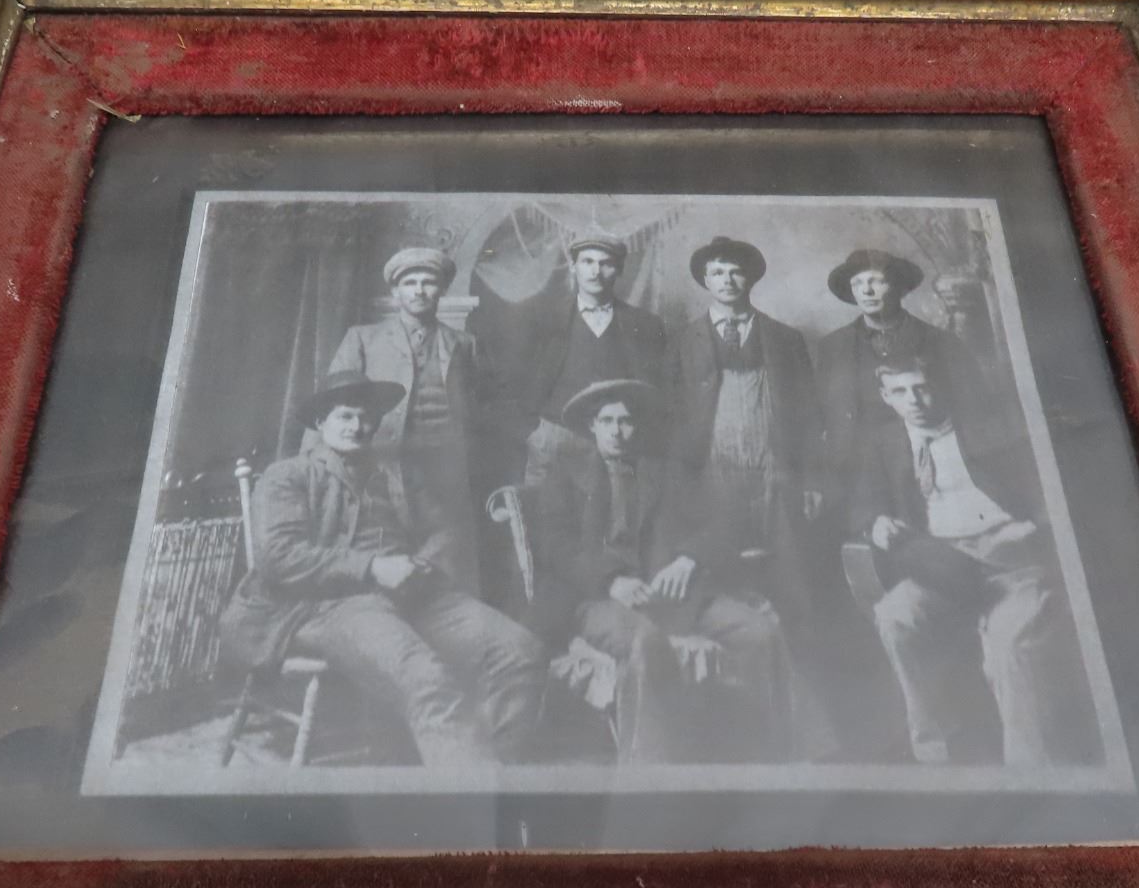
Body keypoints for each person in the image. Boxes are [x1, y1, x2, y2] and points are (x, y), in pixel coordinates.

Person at [220, 371, 546, 767]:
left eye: (366, 417)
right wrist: (372, 567)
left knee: (519, 652)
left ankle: (491, 779)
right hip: (326, 604)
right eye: (345, 416)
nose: (357, 427)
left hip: (409, 592)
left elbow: (445, 529)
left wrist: (421, 562)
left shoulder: (394, 476)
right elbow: (278, 557)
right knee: (427, 681)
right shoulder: (289, 475)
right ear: (321, 422)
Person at [849, 349, 1102, 767]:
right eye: (901, 391)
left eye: (921, 388)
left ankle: (1032, 769)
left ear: (938, 386)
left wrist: (1034, 525)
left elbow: (1049, 484)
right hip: (942, 565)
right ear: (886, 397)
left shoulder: (989, 427)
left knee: (1009, 643)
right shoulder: (885, 442)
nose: (914, 400)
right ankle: (936, 752)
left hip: (1011, 557)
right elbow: (861, 503)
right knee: (895, 617)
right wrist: (874, 523)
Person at [531, 378, 791, 763]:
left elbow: (725, 521)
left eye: (625, 421)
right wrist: (611, 581)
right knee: (645, 643)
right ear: (592, 426)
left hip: (671, 598)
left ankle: (769, 761)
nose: (617, 431)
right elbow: (555, 546)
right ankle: (649, 772)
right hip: (598, 601)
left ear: (636, 426)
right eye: (607, 421)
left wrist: (688, 559)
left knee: (759, 632)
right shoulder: (566, 476)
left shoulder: (665, 474)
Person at [667, 236, 824, 624]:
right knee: (721, 568)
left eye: (736, 271)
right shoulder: (682, 342)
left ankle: (800, 647)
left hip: (776, 469)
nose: (727, 280)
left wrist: (812, 479)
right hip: (713, 470)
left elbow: (810, 416)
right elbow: (672, 420)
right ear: (705, 280)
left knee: (791, 575)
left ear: (751, 278)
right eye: (717, 272)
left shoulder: (785, 338)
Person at [327, 246, 481, 588]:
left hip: (446, 473)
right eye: (410, 283)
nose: (419, 290)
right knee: (388, 558)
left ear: (442, 290)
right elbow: (333, 407)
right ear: (395, 292)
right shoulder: (363, 338)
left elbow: (478, 408)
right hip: (383, 468)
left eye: (429, 282)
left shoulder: (464, 343)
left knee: (449, 564)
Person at [814, 248, 980, 496]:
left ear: (899, 286)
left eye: (877, 281)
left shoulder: (942, 342)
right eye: (857, 283)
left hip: (926, 467)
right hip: (858, 477)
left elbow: (973, 411)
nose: (866, 291)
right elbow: (822, 416)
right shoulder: (832, 347)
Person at [517, 236, 668, 488]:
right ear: (573, 267)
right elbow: (521, 381)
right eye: (587, 262)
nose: (595, 271)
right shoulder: (543, 318)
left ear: (619, 270)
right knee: (548, 509)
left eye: (606, 263)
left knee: (617, 509)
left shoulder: (645, 324)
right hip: (556, 438)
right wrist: (534, 432)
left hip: (617, 439)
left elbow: (654, 390)